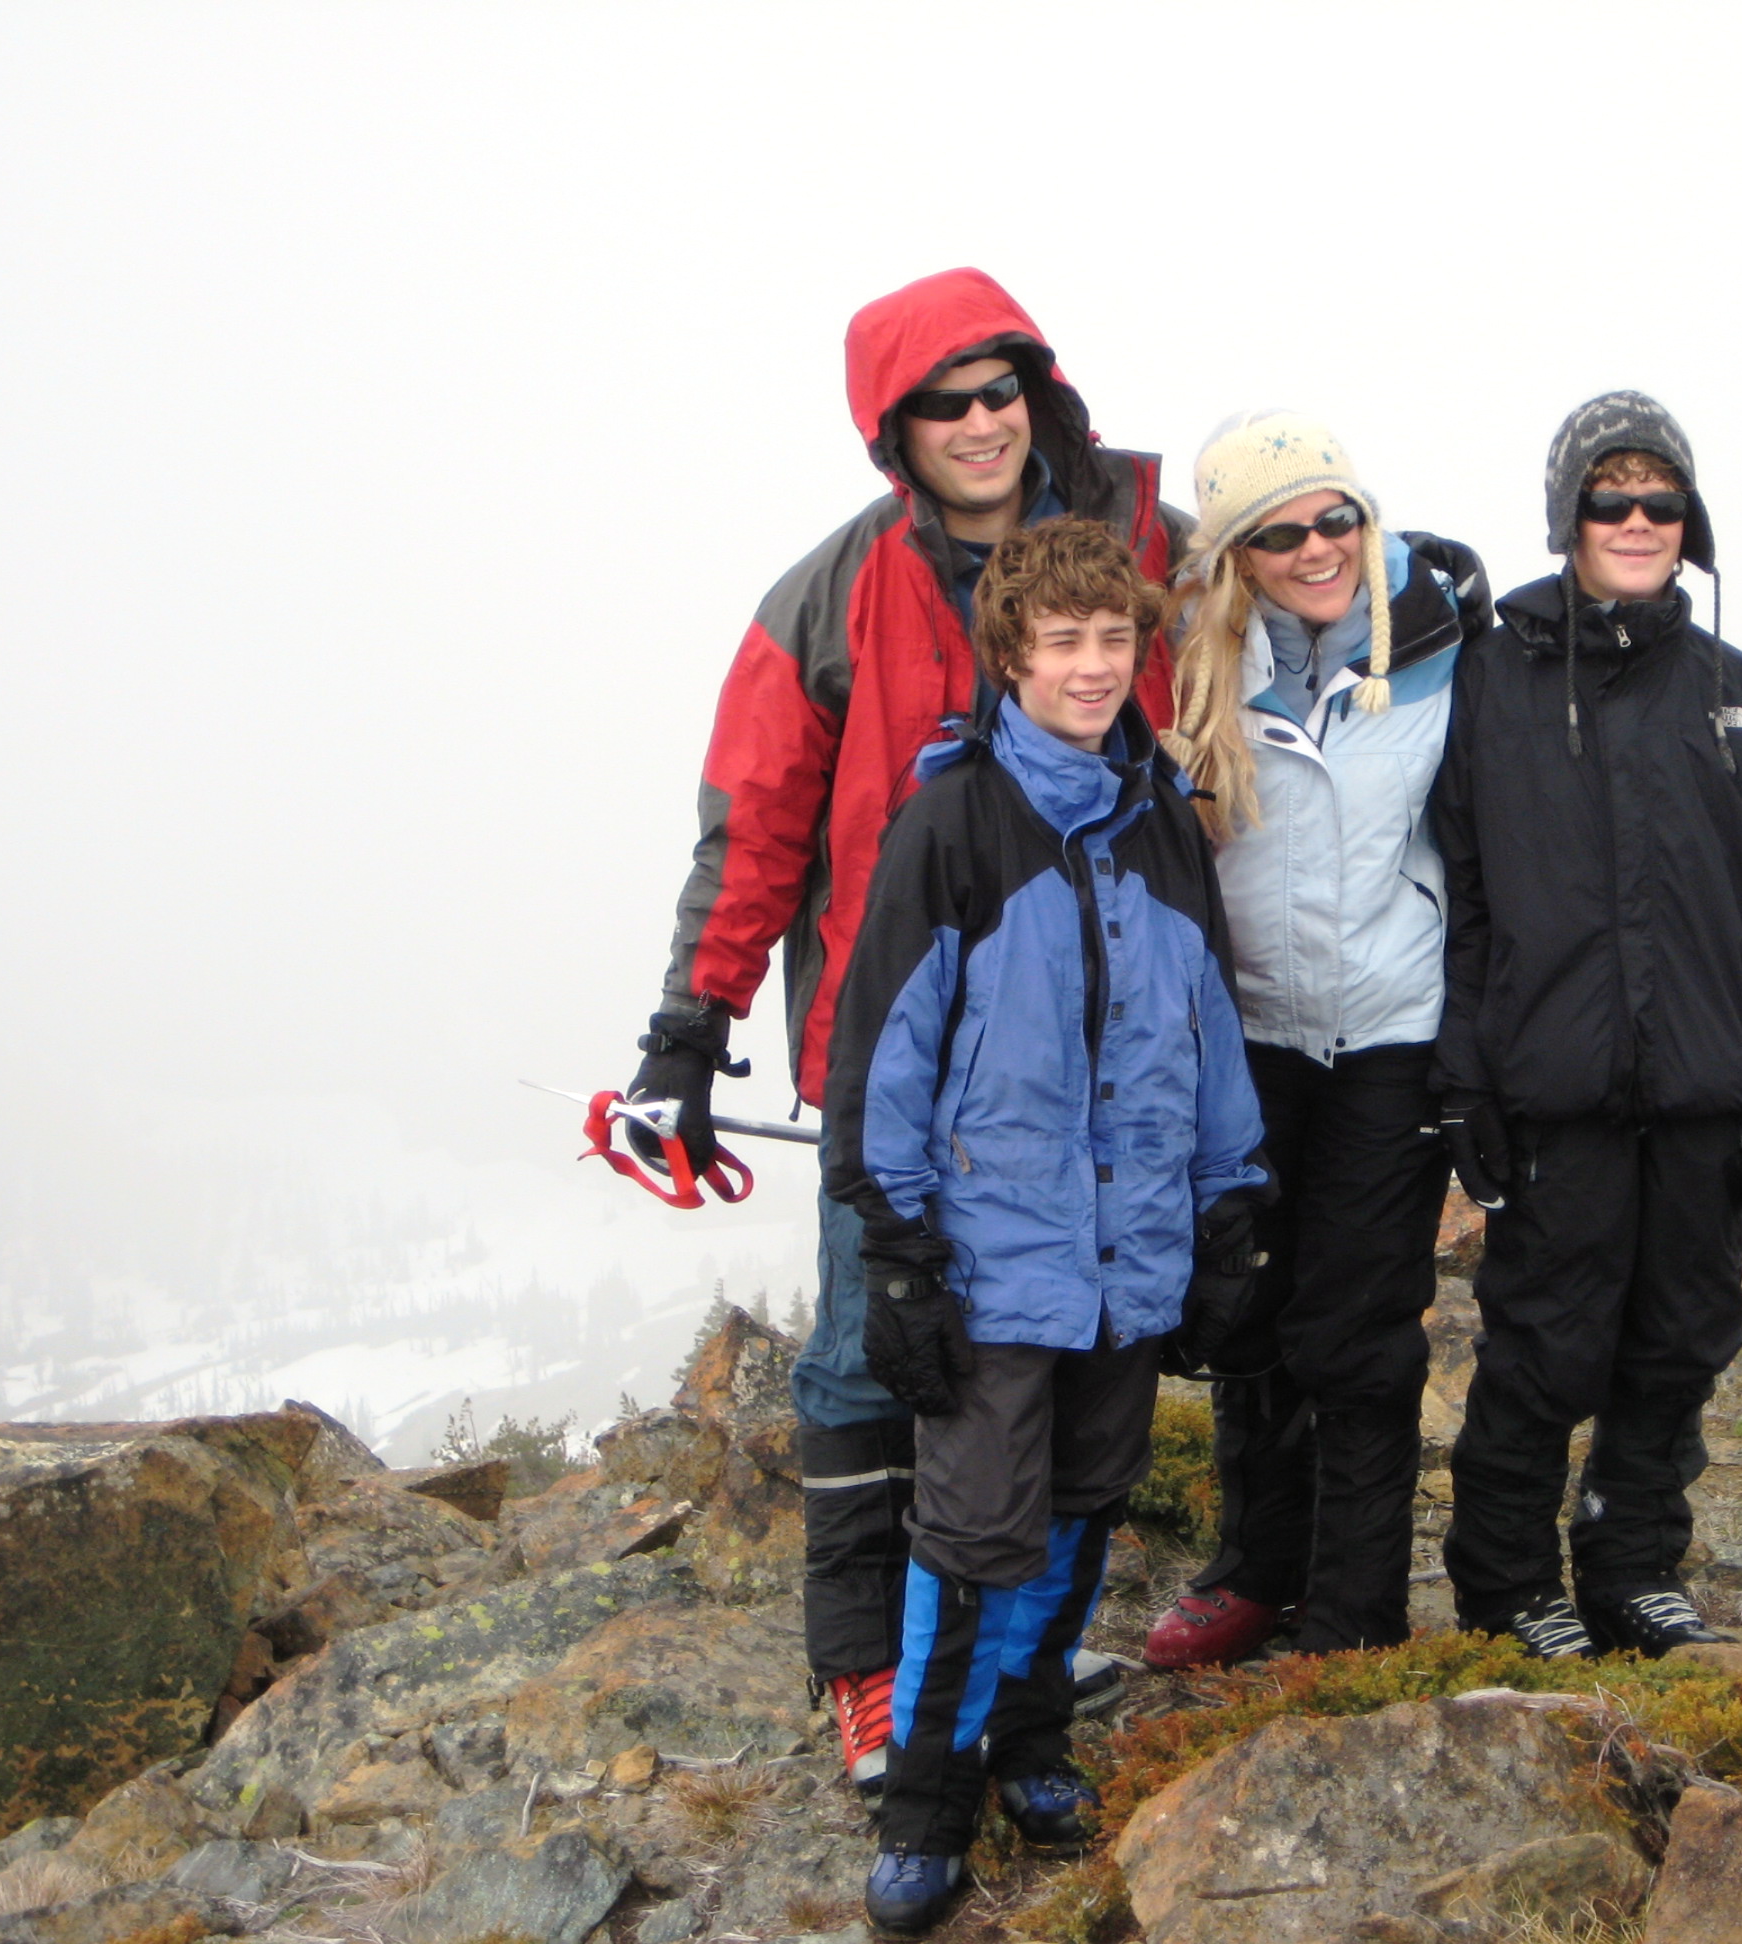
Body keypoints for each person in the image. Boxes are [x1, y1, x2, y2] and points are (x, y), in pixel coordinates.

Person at [620, 268, 1187, 1803]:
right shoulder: (832, 592)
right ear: (894, 429)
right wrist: (689, 1027)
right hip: (897, 1058)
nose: (981, 422)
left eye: (1001, 389)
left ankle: (1006, 1652)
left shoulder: (1140, 541)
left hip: (1094, 1060)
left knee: (1064, 1348)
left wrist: (1415, 590)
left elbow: (1297, 569)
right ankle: (866, 1667)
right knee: (875, 1355)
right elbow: (753, 825)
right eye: (944, 403)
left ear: (1038, 394)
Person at [822, 517, 1271, 1933]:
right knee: (972, 1537)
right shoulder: (954, 822)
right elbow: (881, 1054)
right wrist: (897, 1252)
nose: (1092, 666)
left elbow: (1208, 1025)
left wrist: (1230, 1207)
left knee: (1083, 1509)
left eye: (1113, 638)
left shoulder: (1160, 819)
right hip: (993, 1263)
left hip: (1130, 1258)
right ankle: (927, 1807)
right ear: (1010, 655)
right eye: (1062, 640)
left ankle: (1030, 1745)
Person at [1431, 390, 1742, 1660]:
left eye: (1660, 499)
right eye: (1609, 497)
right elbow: (1457, 897)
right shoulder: (1491, 683)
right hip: (1555, 1096)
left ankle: (1630, 1568)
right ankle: (1507, 1586)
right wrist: (1464, 1082)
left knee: (1678, 1343)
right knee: (1544, 1350)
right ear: (1568, 514)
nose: (1636, 519)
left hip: (1708, 1097)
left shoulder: (1740, 695)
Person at [1141, 412, 1490, 1666]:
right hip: (1249, 1039)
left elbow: (1486, 846)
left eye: (1335, 518)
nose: (1316, 548)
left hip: (1389, 1034)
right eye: (1278, 534)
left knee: (1361, 1325)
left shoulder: (1447, 643)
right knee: (1248, 1307)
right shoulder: (1197, 658)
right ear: (1236, 552)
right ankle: (1255, 1571)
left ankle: (1353, 1614)